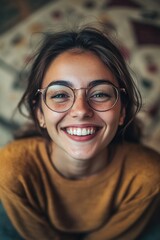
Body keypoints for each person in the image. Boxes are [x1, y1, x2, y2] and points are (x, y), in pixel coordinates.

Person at [0, 25, 160, 240]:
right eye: (59, 95)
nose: (81, 111)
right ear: (39, 113)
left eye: (100, 94)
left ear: (121, 111)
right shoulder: (11, 170)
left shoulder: (146, 176)